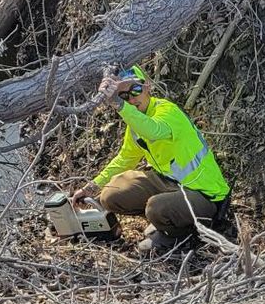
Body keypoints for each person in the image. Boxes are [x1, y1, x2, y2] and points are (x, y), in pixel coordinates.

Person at [71, 65, 230, 254]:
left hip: (207, 197)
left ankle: (181, 234)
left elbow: (153, 130)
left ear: (147, 87)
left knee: (156, 208)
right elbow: (124, 159)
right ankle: (167, 220)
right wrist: (90, 188)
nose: (131, 98)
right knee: (110, 194)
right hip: (172, 185)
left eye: (135, 90)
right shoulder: (136, 123)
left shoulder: (167, 111)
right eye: (123, 96)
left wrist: (119, 105)